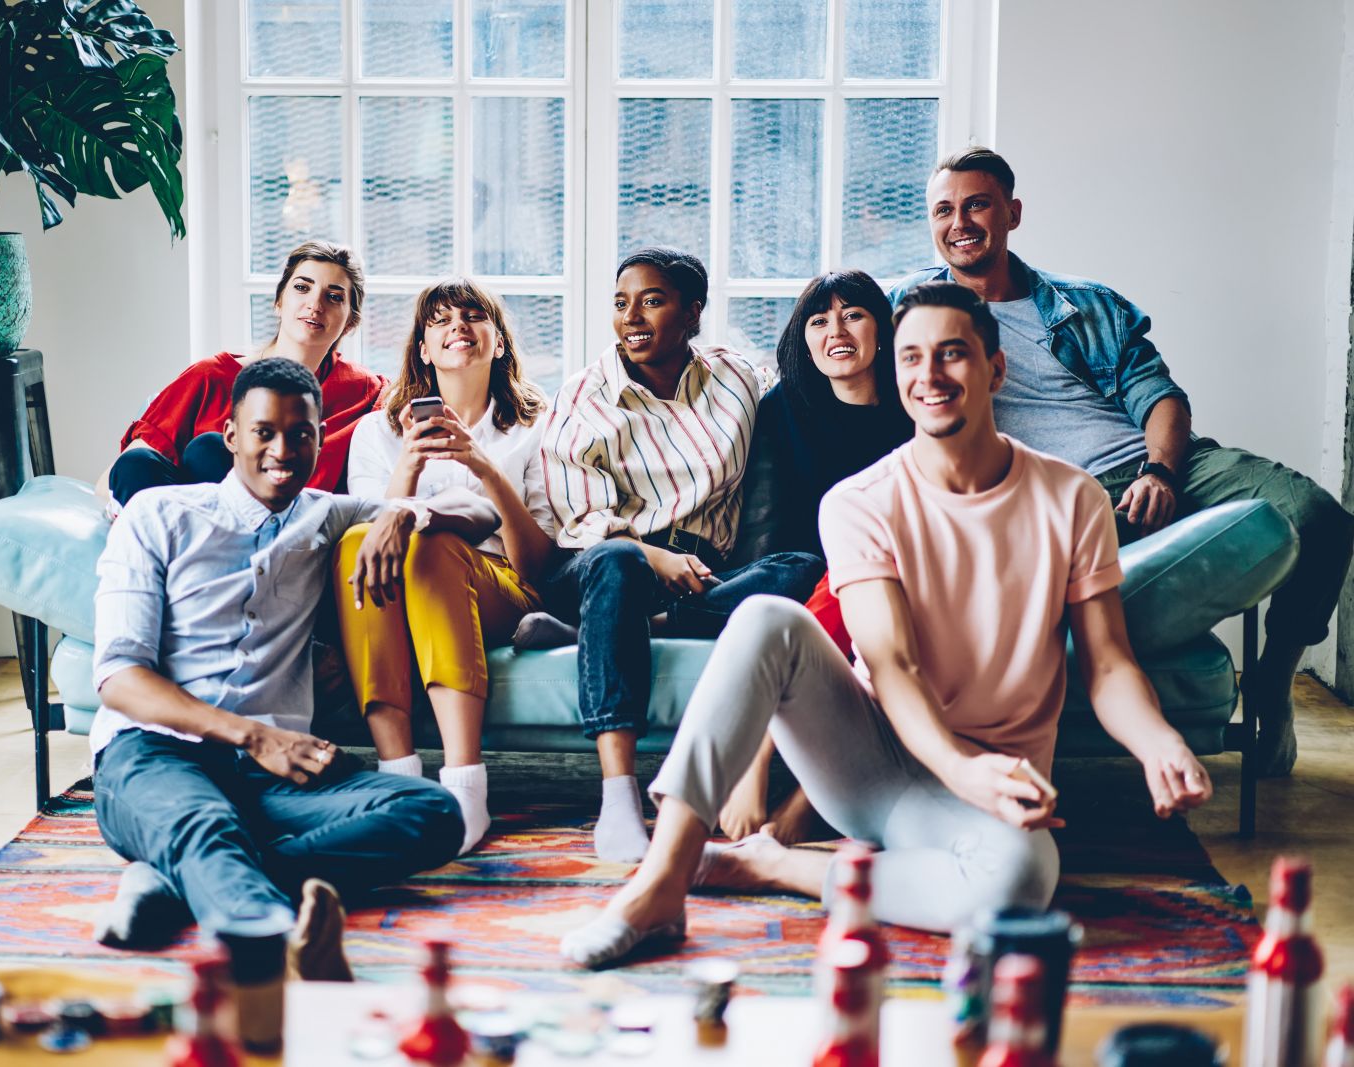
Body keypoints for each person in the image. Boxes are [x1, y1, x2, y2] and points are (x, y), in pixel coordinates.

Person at [560, 281, 1214, 969]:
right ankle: (661, 882)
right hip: (872, 766)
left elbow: (1108, 664)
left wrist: (1158, 742)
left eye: (952, 354)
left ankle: (771, 867)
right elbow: (892, 664)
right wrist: (960, 767)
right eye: (911, 358)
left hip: (996, 784)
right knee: (764, 619)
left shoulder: (1072, 499)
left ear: (996, 367)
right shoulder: (859, 503)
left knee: (1023, 881)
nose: (928, 376)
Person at [890, 146, 1354, 776]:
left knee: (1317, 516)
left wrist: (1159, 471)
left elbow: (1160, 398)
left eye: (977, 204)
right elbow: (837, 358)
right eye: (943, 210)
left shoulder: (1085, 304)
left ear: (1012, 213)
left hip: (1161, 463)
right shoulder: (910, 312)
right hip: (1059, 494)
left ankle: (1272, 684)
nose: (960, 222)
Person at [90, 358, 496, 970]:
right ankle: (273, 948)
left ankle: (178, 879)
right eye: (264, 432)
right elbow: (120, 679)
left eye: (301, 434)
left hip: (271, 777)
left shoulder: (322, 514)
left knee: (433, 811)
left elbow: (481, 511)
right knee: (204, 822)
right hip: (154, 752)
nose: (283, 450)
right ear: (231, 437)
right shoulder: (159, 516)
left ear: (318, 435)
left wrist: (402, 513)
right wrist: (256, 736)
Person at [536, 247, 823, 863]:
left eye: (653, 300)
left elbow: (806, 390)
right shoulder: (584, 396)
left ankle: (643, 625)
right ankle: (619, 795)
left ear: (694, 313)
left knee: (802, 567)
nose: (631, 317)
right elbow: (577, 520)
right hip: (604, 561)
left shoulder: (736, 377)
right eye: (620, 303)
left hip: (703, 579)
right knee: (619, 565)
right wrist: (649, 556)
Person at [336, 279, 557, 854]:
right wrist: (408, 471)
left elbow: (536, 564)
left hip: (499, 589)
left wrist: (484, 467)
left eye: (472, 316)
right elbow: (370, 530)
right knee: (358, 541)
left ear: (499, 342)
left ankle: (464, 785)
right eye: (440, 321)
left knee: (433, 544)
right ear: (423, 350)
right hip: (398, 593)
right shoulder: (376, 431)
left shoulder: (539, 426)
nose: (457, 326)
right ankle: (400, 776)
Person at [719, 270, 915, 844]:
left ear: (883, 326)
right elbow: (767, 527)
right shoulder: (784, 407)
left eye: (853, 314)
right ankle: (757, 770)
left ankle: (800, 795)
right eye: (819, 319)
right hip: (808, 568)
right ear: (803, 338)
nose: (838, 331)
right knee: (806, 577)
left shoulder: (916, 399)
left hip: (899, 566)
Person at [100, 240, 385, 506]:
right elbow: (117, 476)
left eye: (334, 297)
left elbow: (411, 404)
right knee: (203, 452)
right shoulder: (209, 377)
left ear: (350, 322)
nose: (315, 304)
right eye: (301, 288)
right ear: (279, 302)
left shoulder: (364, 391)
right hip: (188, 526)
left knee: (213, 450)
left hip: (288, 532)